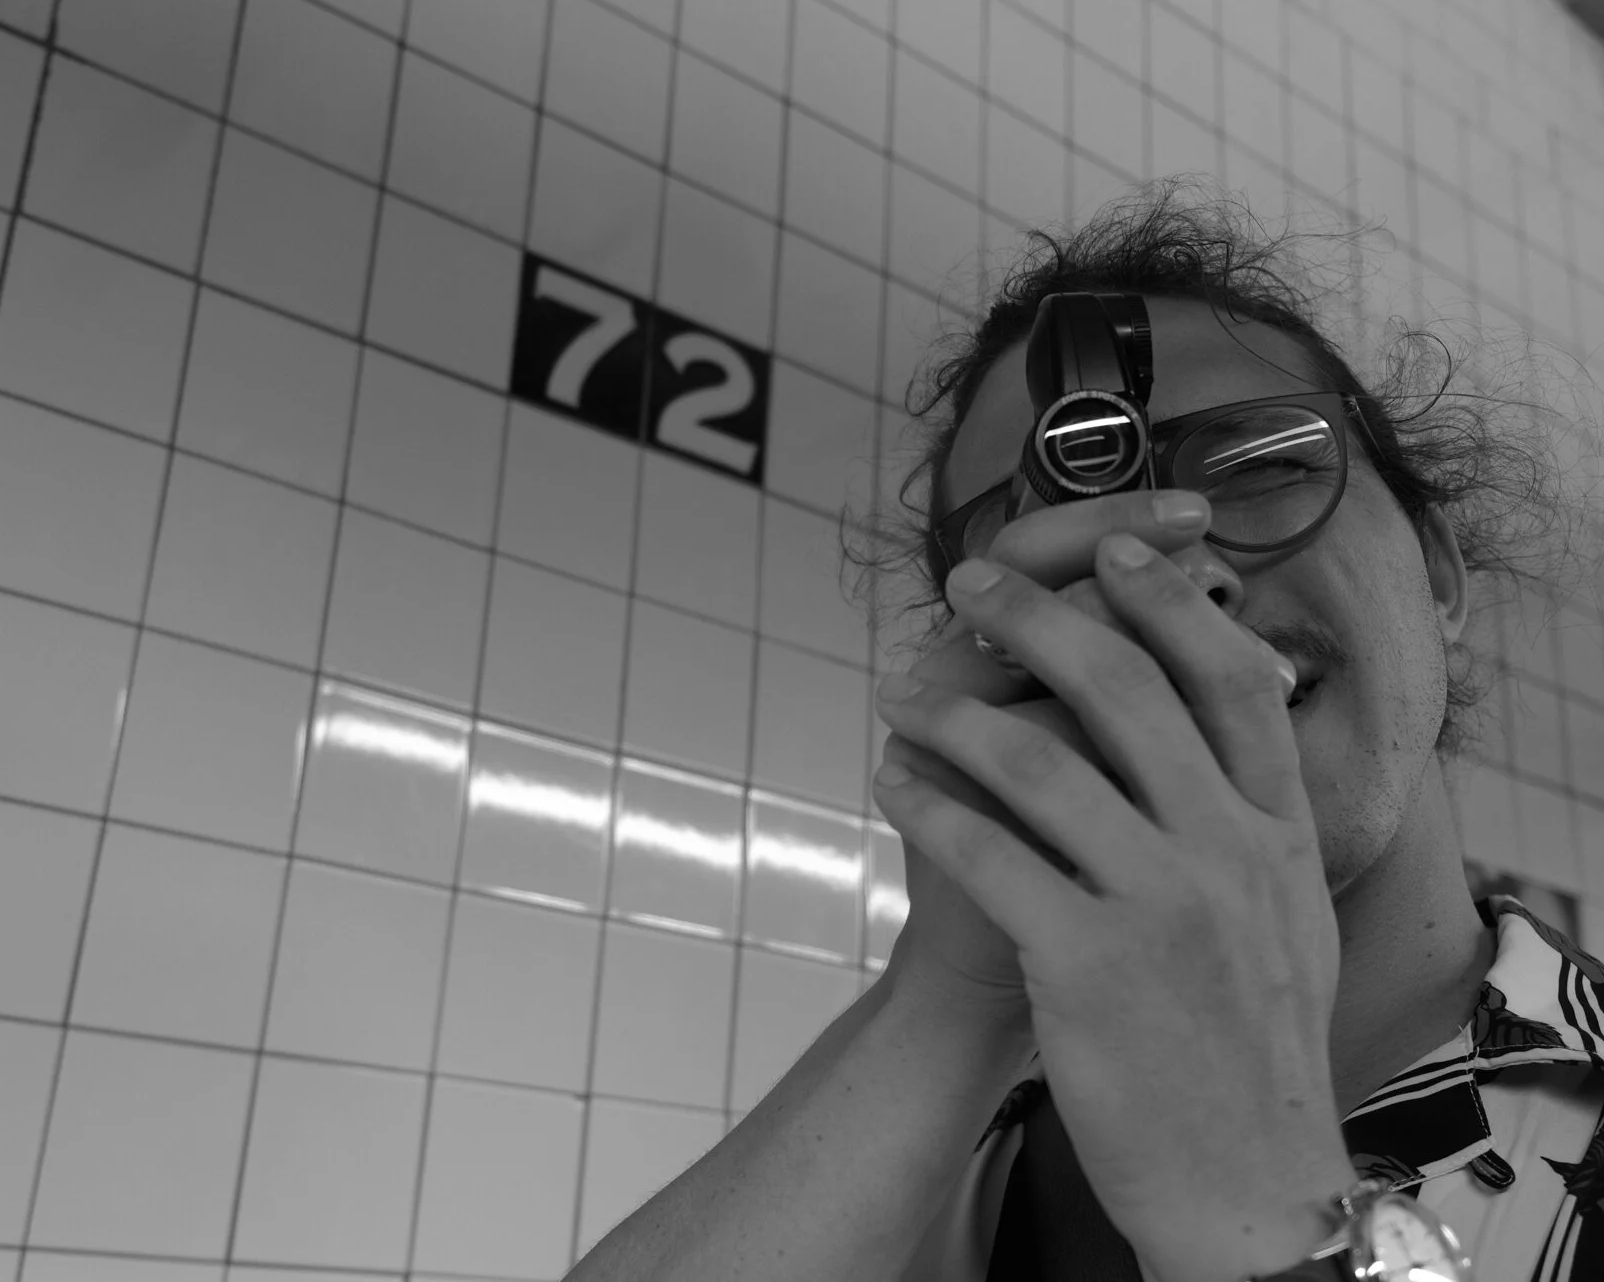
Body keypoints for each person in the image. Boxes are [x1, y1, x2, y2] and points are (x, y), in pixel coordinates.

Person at [563, 183, 1604, 1282]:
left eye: (1261, 466)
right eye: (1047, 534)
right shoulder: (912, 1146)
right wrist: (949, 996)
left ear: (1437, 573)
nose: (1178, 579)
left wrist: (1255, 1192)